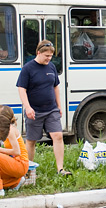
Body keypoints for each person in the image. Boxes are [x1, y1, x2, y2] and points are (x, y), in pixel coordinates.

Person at [17, 40, 71, 176]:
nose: (49, 58)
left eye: (51, 56)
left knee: (58, 136)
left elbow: (56, 87)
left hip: (51, 109)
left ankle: (60, 169)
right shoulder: (28, 68)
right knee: (31, 141)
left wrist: (59, 106)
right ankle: (28, 170)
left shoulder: (51, 67)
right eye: (46, 56)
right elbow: (21, 89)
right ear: (38, 53)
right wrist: (28, 107)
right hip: (34, 110)